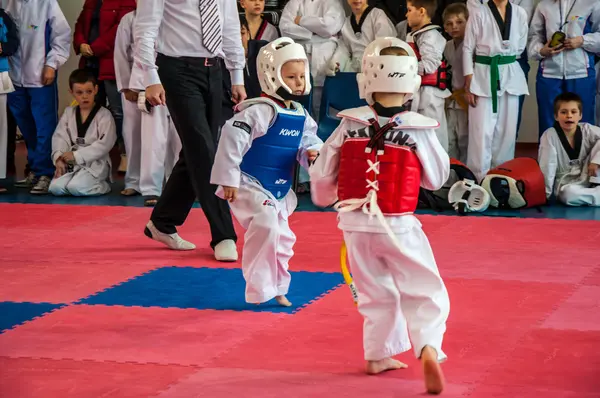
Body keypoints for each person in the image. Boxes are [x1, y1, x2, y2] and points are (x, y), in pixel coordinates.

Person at [309, 37, 450, 395]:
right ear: (411, 82)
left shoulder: (349, 124)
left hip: (354, 225)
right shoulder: (416, 127)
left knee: (375, 292)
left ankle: (377, 354)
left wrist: (325, 198)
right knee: (425, 289)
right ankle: (429, 347)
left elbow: (324, 171)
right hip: (398, 224)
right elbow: (437, 178)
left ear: (366, 80)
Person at [211, 37, 322, 306]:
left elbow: (308, 141)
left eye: (300, 76)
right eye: (291, 76)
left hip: (279, 188)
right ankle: (258, 290)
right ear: (272, 76)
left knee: (283, 238)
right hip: (249, 182)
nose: (297, 82)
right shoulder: (259, 110)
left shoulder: (299, 113)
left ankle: (279, 286)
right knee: (266, 224)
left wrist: (313, 154)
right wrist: (228, 178)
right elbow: (231, 137)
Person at [133, 0, 246, 260]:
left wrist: (236, 74)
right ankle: (224, 234)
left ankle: (162, 221)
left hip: (214, 70)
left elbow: (229, 25)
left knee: (198, 150)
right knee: (205, 151)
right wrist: (150, 77)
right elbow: (145, 29)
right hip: (176, 69)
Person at [114, 5, 181, 206]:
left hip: (175, 81)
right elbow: (120, 53)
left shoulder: (174, 16)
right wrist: (126, 85)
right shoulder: (130, 19)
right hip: (142, 84)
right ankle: (145, 185)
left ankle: (175, 185)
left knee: (177, 138)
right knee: (143, 138)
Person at [4, 0, 71, 194]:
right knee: (26, 127)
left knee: (44, 126)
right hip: (15, 76)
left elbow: (62, 35)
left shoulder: (46, 3)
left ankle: (46, 173)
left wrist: (52, 64)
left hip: (41, 75)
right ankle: (35, 168)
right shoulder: (9, 3)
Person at [463, 0, 529, 181]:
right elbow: (468, 48)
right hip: (483, 75)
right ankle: (477, 180)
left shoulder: (520, 13)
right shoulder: (479, 12)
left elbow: (521, 46)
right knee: (481, 132)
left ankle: (502, 179)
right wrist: (469, 79)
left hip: (510, 73)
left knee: (507, 132)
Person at [73, 0, 137, 173]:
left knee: (118, 111)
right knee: (94, 111)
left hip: (111, 63)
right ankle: (93, 154)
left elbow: (120, 29)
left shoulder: (128, 1)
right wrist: (80, 44)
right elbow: (80, 24)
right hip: (90, 63)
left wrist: (95, 47)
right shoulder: (91, 1)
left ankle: (124, 154)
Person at [528, 0, 600, 138]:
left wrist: (582, 41)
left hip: (581, 73)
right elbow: (534, 36)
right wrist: (541, 50)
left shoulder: (592, 3)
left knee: (583, 124)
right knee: (548, 122)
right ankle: (549, 158)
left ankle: (583, 159)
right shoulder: (544, 6)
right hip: (549, 73)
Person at [49, 69, 116, 196]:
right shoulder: (69, 113)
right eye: (79, 92)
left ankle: (103, 185)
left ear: (96, 90)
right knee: (55, 188)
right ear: (71, 92)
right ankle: (78, 180)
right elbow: (60, 137)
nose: (85, 96)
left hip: (96, 162)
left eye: (89, 92)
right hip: (72, 162)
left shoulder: (104, 115)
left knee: (76, 188)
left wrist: (77, 155)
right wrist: (59, 157)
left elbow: (105, 144)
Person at [539, 92, 600, 206]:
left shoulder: (587, 129)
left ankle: (593, 193)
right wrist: (545, 194)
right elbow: (547, 166)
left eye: (573, 112)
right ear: (556, 116)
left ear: (580, 115)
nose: (569, 116)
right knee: (568, 195)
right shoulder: (550, 136)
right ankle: (596, 195)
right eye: (563, 112)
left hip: (590, 175)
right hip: (567, 184)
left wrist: (596, 160)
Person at [406, 0, 451, 152]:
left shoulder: (431, 36)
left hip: (430, 96)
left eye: (409, 9)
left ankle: (441, 175)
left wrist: (404, 68)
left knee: (433, 139)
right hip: (418, 93)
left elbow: (430, 65)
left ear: (422, 11)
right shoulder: (416, 35)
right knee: (419, 140)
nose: (406, 14)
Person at [327, 0, 397, 74]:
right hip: (353, 71)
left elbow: (384, 46)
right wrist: (336, 62)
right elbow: (343, 50)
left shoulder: (377, 15)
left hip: (376, 70)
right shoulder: (346, 23)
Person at [443, 3, 469, 162]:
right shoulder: (446, 46)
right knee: (450, 138)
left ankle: (466, 176)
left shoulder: (472, 45)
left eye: (459, 22)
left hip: (467, 98)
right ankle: (450, 177)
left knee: (465, 139)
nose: (454, 27)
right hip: (451, 98)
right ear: (444, 27)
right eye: (449, 23)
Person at [0, 7, 18, 194]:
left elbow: (13, 44)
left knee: (0, 129)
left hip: (0, 76)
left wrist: (2, 47)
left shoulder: (3, 16)